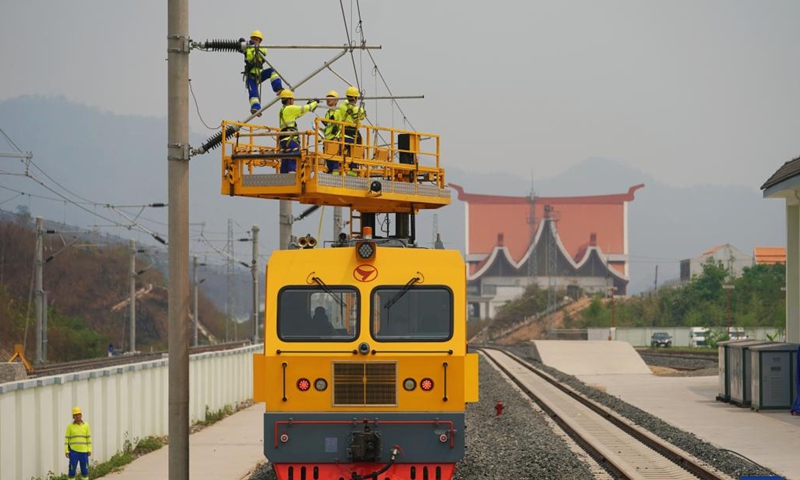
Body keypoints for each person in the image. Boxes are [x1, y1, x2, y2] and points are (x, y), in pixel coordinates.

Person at [240, 30, 283, 115]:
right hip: (251, 76)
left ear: (260, 41)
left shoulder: (262, 48)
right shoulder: (247, 48)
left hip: (259, 74)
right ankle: (256, 108)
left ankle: (278, 89)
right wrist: (241, 44)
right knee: (253, 93)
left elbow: (264, 52)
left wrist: (255, 47)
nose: (255, 40)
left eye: (257, 39)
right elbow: (241, 49)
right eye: (253, 39)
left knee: (272, 71)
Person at [278, 89, 318, 174]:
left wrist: (309, 106)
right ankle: (292, 178)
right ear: (289, 100)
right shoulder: (290, 108)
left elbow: (299, 114)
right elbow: (303, 108)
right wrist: (314, 103)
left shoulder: (282, 110)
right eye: (292, 99)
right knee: (293, 157)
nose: (293, 101)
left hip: (283, 140)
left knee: (285, 159)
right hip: (291, 139)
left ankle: (283, 179)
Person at [337, 86, 367, 172]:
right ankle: (353, 170)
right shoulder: (358, 110)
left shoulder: (342, 106)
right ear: (355, 98)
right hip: (353, 136)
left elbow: (345, 103)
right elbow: (362, 117)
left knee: (342, 154)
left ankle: (340, 168)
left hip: (343, 134)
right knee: (354, 155)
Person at [64, 406, 92, 480]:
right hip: (73, 452)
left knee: (85, 471)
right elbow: (67, 439)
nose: (77, 416)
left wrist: (89, 449)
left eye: (78, 414)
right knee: (72, 470)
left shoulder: (86, 425)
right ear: (73, 416)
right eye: (75, 415)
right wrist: (66, 450)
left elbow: (88, 438)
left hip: (84, 452)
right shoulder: (70, 426)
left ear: (81, 415)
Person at [321, 90, 342, 173]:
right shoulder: (328, 113)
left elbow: (340, 126)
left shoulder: (338, 112)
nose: (328, 99)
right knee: (328, 160)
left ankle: (335, 178)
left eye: (331, 98)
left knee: (334, 160)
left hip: (334, 140)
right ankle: (330, 173)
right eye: (327, 98)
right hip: (327, 140)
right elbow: (329, 127)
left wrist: (336, 137)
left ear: (336, 101)